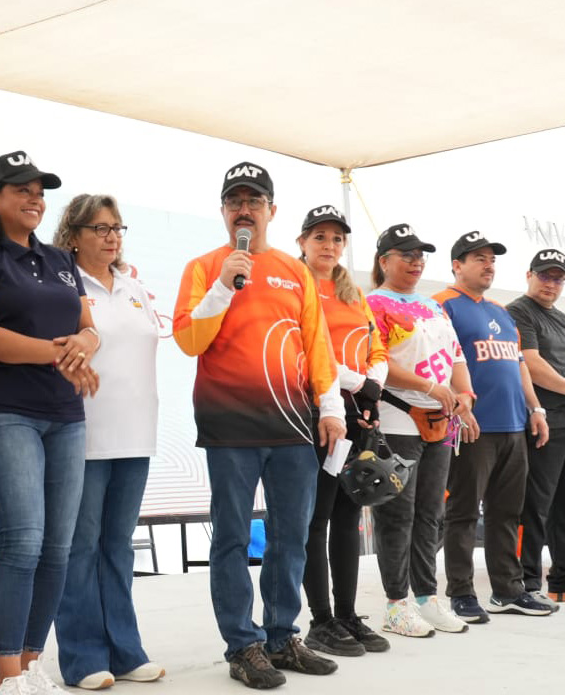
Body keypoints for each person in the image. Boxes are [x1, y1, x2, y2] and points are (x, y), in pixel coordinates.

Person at [173, 162, 346, 690]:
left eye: (254, 201)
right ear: (224, 211)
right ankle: (241, 645)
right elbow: (188, 340)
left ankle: (280, 635)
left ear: (272, 210)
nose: (243, 210)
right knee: (231, 537)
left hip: (294, 423)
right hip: (230, 424)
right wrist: (224, 286)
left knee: (291, 534)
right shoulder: (204, 267)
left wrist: (331, 405)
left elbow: (315, 342)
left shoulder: (295, 272)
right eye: (235, 202)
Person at [0, 151, 100, 695]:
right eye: (21, 189)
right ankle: (8, 675)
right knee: (23, 541)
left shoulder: (60, 257)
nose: (34, 199)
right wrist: (59, 354)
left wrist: (85, 343)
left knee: (58, 547)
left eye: (40, 191)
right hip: (2, 412)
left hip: (66, 415)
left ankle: (34, 667)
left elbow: (88, 326)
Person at [52, 195, 163, 690]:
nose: (111, 236)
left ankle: (126, 650)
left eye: (117, 227)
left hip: (136, 434)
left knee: (117, 547)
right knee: (81, 548)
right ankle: (81, 658)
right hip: (85, 432)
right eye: (99, 228)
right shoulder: (63, 285)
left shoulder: (134, 286)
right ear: (72, 234)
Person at [366, 223, 479, 638]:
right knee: (398, 515)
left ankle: (427, 597)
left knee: (431, 513)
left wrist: (464, 394)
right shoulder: (372, 303)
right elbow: (375, 360)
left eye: (420, 256)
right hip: (397, 419)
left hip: (442, 421)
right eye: (406, 255)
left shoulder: (433, 307)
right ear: (384, 261)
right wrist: (428, 386)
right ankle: (396, 605)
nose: (416, 262)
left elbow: (456, 354)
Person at [434, 232, 553, 621]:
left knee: (507, 513)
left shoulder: (502, 312)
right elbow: (441, 361)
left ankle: (508, 590)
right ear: (457, 265)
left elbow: (518, 364)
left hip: (513, 425)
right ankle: (462, 592)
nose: (488, 265)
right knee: (464, 511)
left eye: (492, 259)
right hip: (473, 426)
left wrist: (536, 409)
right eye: (478, 259)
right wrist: (459, 408)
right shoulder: (442, 306)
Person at [296, 205, 391, 656]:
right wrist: (360, 383)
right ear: (302, 243)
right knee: (317, 520)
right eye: (320, 238)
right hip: (314, 414)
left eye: (336, 239)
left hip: (358, 417)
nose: (329, 246)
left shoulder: (355, 294)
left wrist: (374, 389)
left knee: (349, 519)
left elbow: (378, 349)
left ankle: (347, 614)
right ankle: (321, 620)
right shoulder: (296, 288)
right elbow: (306, 350)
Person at [507, 249, 565, 603]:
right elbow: (531, 365)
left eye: (557, 278)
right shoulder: (519, 311)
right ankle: (527, 582)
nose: (550, 284)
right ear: (529, 275)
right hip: (539, 419)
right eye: (544, 276)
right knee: (535, 505)